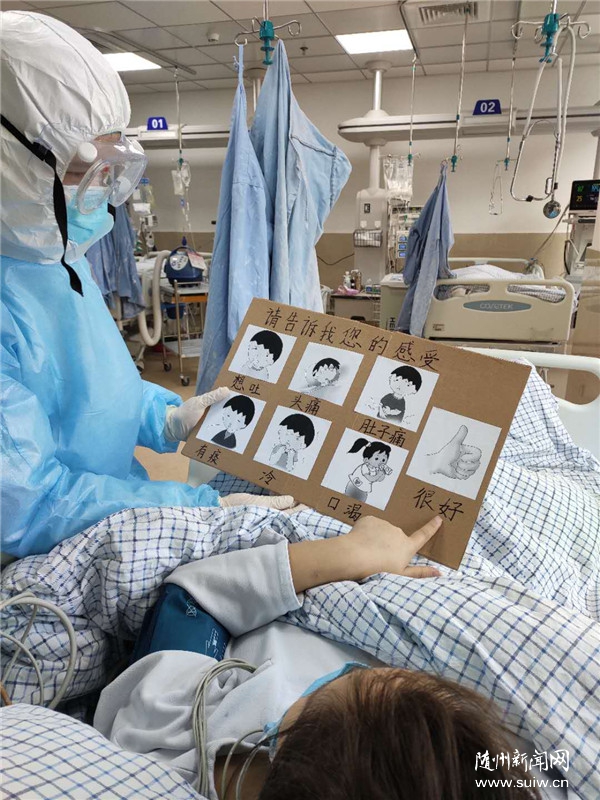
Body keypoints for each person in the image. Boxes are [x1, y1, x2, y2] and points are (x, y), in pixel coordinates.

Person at [0, 11, 292, 559]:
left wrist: (166, 417)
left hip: (111, 517)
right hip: (41, 557)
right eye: (83, 169)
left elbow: (97, 393)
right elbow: (25, 506)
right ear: (10, 162)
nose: (101, 191)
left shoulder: (57, 258)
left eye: (112, 165)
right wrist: (194, 509)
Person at [94, 515, 541, 800]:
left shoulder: (168, 744)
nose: (399, 673)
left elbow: (194, 598)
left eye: (363, 677)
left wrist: (346, 555)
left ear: (276, 742)